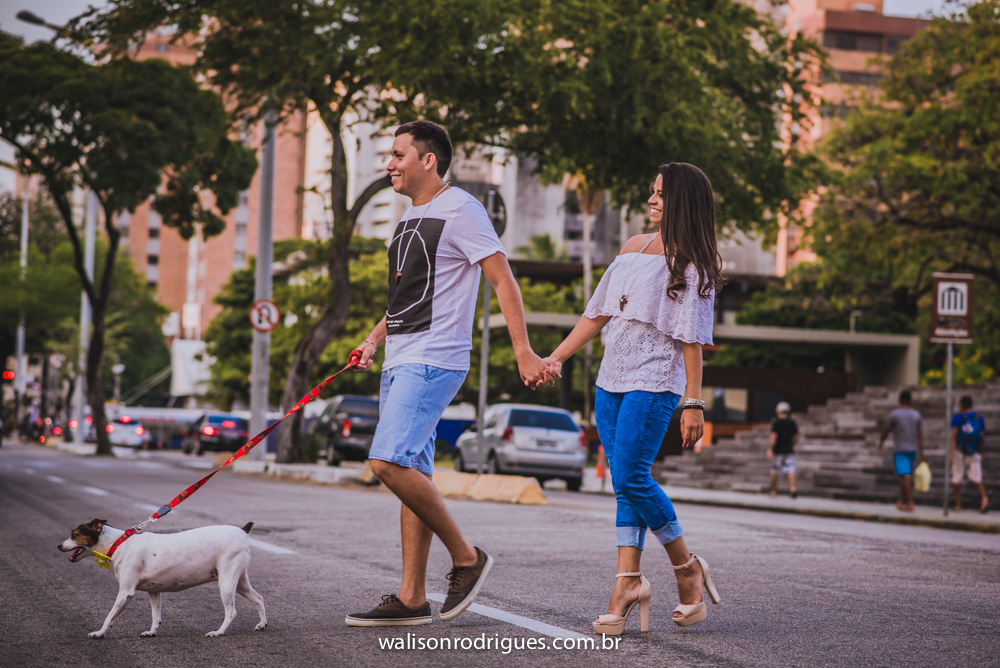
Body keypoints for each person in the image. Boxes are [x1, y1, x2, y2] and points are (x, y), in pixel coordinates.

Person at [346, 121, 549, 627]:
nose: (389, 163)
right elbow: (404, 299)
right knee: (412, 471)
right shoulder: (412, 217)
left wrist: (524, 351)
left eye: (397, 154)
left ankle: (467, 558)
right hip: (402, 357)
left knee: (387, 463)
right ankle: (412, 596)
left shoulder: (462, 209)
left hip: (435, 358)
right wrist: (374, 340)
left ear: (428, 159)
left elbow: (503, 279)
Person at [543, 163, 723, 635]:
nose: (652, 200)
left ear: (683, 201)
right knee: (624, 485)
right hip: (611, 379)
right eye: (652, 192)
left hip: (655, 380)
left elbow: (692, 340)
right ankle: (628, 582)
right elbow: (597, 314)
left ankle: (686, 569)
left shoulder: (693, 264)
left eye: (661, 194)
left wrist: (693, 400)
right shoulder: (631, 248)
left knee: (630, 475)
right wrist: (555, 358)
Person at [877, 390, 926, 512]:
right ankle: (900, 501)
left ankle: (910, 502)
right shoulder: (916, 415)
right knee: (904, 475)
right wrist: (922, 451)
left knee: (905, 475)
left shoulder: (895, 414)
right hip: (912, 449)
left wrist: (881, 442)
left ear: (899, 400)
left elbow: (886, 430)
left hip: (900, 449)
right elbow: (920, 435)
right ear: (911, 400)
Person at [950, 395, 989, 513]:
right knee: (977, 477)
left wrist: (951, 454)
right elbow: (982, 436)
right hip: (975, 452)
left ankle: (958, 504)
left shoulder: (958, 417)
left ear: (961, 405)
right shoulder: (979, 418)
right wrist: (980, 452)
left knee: (957, 476)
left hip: (960, 452)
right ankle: (984, 498)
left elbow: (954, 436)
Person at [767, 401, 799, 498]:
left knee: (774, 470)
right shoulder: (792, 422)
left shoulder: (776, 423)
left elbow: (773, 437)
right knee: (790, 469)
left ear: (778, 411)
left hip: (778, 450)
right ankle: (793, 488)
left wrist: (770, 448)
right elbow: (796, 436)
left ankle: (773, 491)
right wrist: (792, 444)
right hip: (788, 450)